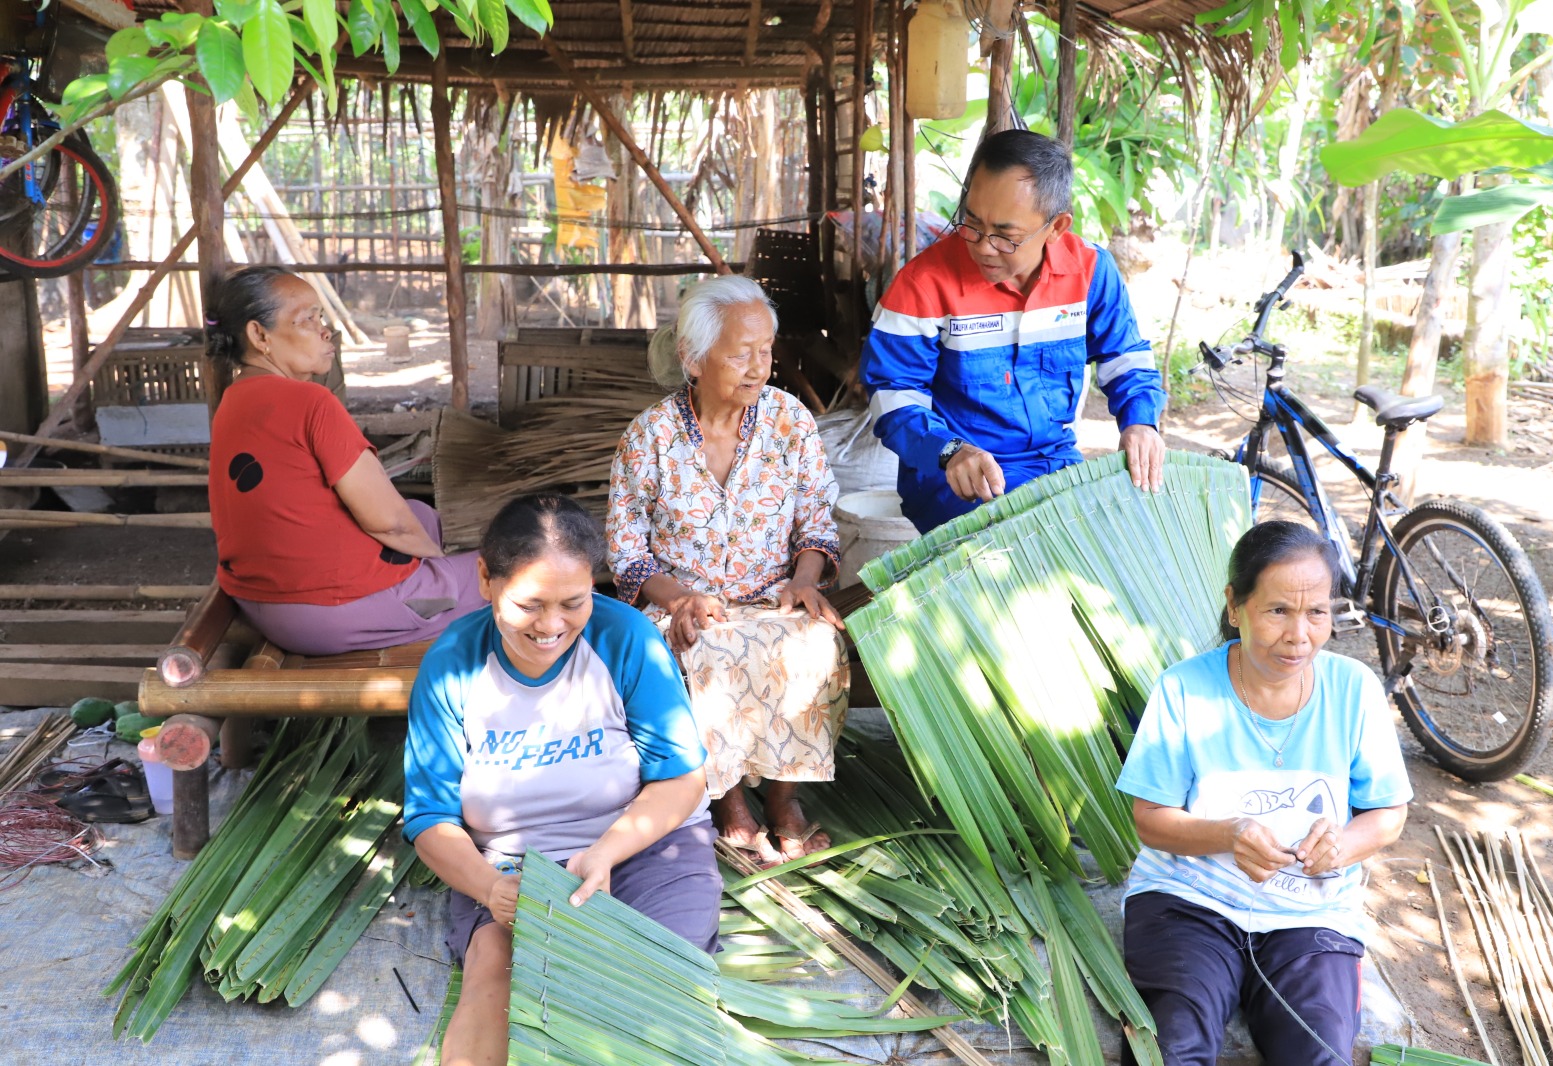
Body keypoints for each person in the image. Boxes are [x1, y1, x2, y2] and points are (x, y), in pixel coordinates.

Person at [404, 493, 718, 1066]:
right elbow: (430, 818)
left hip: (642, 848)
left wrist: (606, 852)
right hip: (508, 867)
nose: (551, 626)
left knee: (648, 989)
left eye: (574, 602)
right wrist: (488, 888)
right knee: (495, 986)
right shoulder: (451, 665)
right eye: (529, 605)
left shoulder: (627, 639)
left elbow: (682, 779)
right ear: (485, 579)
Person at [1115, 521, 1412, 1066]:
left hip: (1310, 917)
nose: (1300, 635)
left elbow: (1389, 813)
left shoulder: (1353, 691)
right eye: (1278, 610)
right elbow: (1150, 819)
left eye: (1317, 612)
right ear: (1235, 606)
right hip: (1190, 903)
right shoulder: (1184, 688)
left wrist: (1340, 847)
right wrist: (1228, 834)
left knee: (1317, 1052)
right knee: (1176, 1048)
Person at [607, 274, 849, 867]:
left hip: (773, 595)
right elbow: (627, 553)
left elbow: (817, 520)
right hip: (682, 600)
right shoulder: (651, 437)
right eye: (741, 353)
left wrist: (804, 581)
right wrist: (682, 598)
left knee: (818, 644)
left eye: (766, 350)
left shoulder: (790, 422)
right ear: (694, 357)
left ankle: (785, 798)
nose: (760, 365)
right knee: (704, 649)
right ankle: (731, 802)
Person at [858, 129, 1168, 533]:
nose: (983, 246)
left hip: (1055, 466)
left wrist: (1140, 422)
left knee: (1140, 538)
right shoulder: (923, 283)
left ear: (1056, 227)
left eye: (1005, 235)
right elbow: (891, 393)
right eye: (971, 223)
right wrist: (950, 451)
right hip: (958, 481)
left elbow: (1124, 357)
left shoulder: (1091, 271)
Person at [204, 264, 484, 655]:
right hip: (330, 615)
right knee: (517, 571)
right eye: (307, 319)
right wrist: (442, 569)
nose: (324, 329)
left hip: (262, 603)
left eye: (321, 316)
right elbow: (390, 524)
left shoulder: (234, 400)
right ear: (259, 334)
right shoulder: (311, 402)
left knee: (421, 513)